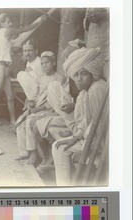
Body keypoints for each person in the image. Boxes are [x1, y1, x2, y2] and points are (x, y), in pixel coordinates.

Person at [51, 47, 108, 186]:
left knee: (60, 150)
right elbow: (84, 125)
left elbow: (100, 129)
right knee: (58, 147)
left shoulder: (97, 88)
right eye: (75, 75)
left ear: (93, 74)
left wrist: (84, 149)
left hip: (101, 147)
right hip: (88, 140)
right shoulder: (83, 93)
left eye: (83, 74)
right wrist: (75, 137)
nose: (78, 79)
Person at [0, 13, 47, 126]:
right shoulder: (7, 31)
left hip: (5, 68)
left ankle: (13, 122)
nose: (11, 23)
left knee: (10, 97)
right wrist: (40, 21)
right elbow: (26, 29)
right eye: (8, 21)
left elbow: (6, 48)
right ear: (2, 23)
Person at [33, 39, 83, 173]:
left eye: (69, 58)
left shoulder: (83, 76)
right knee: (37, 125)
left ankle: (54, 161)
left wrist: (73, 105)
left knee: (43, 126)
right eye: (66, 59)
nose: (67, 62)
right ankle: (48, 159)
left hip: (78, 121)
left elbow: (83, 103)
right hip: (67, 116)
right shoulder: (70, 77)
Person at [15, 51, 60, 165]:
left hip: (49, 110)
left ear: (53, 63)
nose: (44, 65)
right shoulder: (41, 77)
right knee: (20, 121)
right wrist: (31, 102)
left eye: (47, 63)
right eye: (42, 63)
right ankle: (24, 152)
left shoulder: (58, 79)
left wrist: (38, 109)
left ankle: (33, 153)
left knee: (30, 121)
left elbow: (54, 101)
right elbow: (35, 93)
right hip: (38, 107)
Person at [17, 39, 43, 108]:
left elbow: (40, 83)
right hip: (32, 96)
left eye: (30, 50)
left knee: (21, 74)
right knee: (21, 74)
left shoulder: (39, 62)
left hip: (40, 96)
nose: (27, 53)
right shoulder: (29, 62)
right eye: (25, 51)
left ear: (36, 51)